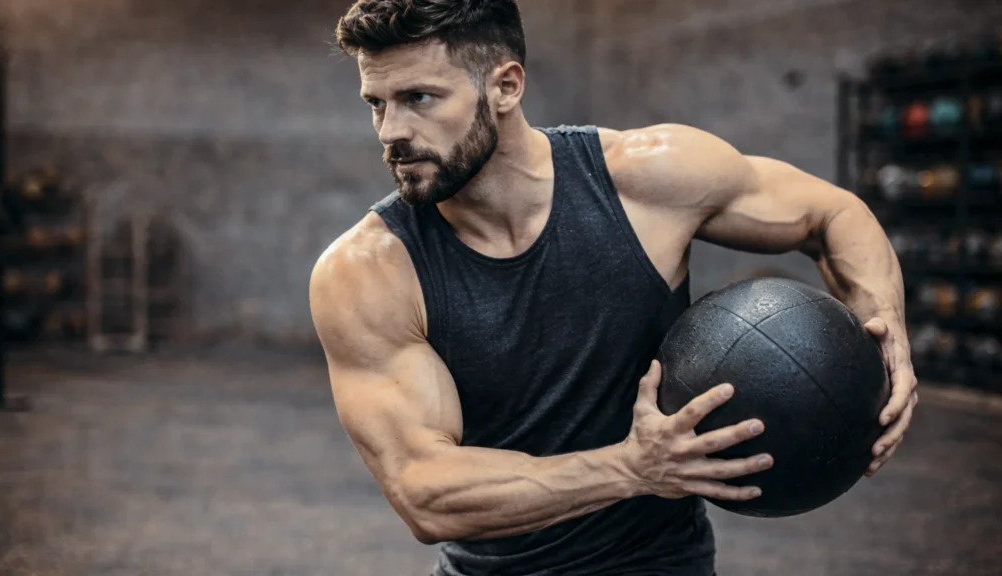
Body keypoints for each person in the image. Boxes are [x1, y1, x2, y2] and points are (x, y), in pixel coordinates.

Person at [309, 1, 918, 575]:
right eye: (377, 103)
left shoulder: (646, 178)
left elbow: (833, 214)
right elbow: (426, 493)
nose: (391, 130)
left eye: (419, 98)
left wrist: (884, 327)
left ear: (505, 86)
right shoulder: (369, 271)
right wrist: (631, 469)